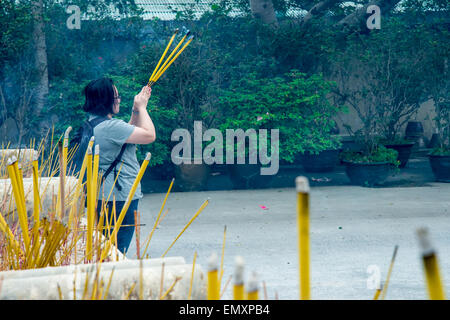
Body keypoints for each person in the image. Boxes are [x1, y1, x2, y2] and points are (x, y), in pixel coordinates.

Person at [82, 77, 156, 254]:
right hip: (119, 197)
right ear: (106, 100)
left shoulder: (92, 124)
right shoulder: (110, 128)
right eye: (116, 97)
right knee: (115, 252)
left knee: (106, 248)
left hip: (102, 195)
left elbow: (127, 134)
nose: (119, 100)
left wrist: (136, 110)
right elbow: (149, 135)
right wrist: (143, 108)